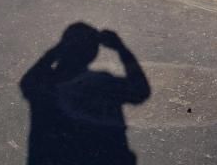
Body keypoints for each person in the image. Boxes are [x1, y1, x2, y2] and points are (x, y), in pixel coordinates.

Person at [20, 22, 151, 165]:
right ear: (93, 53)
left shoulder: (46, 86)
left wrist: (58, 49)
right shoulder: (103, 84)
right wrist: (122, 49)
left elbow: (28, 82)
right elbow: (140, 90)